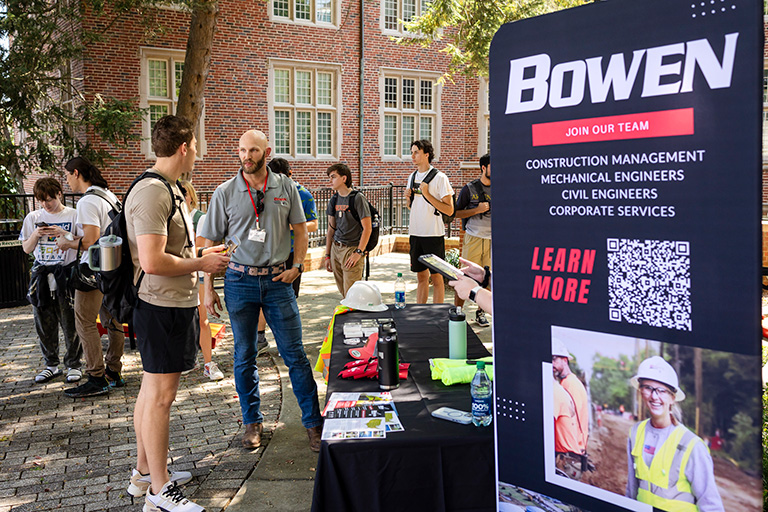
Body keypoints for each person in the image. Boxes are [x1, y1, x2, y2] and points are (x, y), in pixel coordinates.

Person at [125, 115, 229, 510]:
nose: (199, 152)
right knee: (160, 398)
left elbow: (172, 253)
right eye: (197, 145)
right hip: (160, 305)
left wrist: (200, 257)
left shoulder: (169, 188)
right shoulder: (154, 192)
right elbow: (152, 261)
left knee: (151, 394)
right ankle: (160, 491)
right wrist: (201, 265)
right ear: (184, 147)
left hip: (168, 302)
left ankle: (144, 474)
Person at [198, 129, 323, 452]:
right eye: (241, 150)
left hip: (278, 280)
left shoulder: (286, 187)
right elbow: (207, 244)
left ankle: (313, 423)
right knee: (244, 355)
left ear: (266, 151)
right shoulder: (225, 191)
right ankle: (252, 422)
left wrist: (297, 266)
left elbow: (300, 229)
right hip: (239, 281)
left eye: (253, 150)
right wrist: (208, 288)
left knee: (294, 355)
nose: (246, 156)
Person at [56, 157, 126, 398]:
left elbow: (90, 241)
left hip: (93, 270)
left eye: (67, 176)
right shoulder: (108, 195)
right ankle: (113, 371)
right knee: (113, 319)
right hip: (113, 268)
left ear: (76, 173)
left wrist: (66, 242)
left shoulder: (87, 201)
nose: (67, 181)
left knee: (84, 321)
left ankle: (96, 376)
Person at [626, 356, 724, 512]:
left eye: (662, 390)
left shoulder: (692, 445)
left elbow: (711, 505)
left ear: (673, 397)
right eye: (648, 388)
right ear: (640, 390)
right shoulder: (636, 432)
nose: (654, 396)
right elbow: (631, 489)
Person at [21, 177, 82, 384]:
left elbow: (84, 242)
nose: (46, 204)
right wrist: (37, 234)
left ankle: (74, 364)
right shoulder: (32, 217)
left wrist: (64, 233)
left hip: (66, 274)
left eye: (50, 199)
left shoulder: (73, 215)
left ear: (59, 194)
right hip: (42, 274)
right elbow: (27, 248)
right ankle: (51, 365)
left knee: (70, 321)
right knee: (44, 322)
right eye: (42, 200)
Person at [255, 157, 319, 354]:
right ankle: (259, 338)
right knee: (263, 297)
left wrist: (290, 225)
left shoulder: (303, 194)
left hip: (291, 254)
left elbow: (314, 225)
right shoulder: (263, 193)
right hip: (268, 253)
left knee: (287, 299)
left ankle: (287, 342)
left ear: (291, 175)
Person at [180, 179, 224, 381]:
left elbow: (198, 251)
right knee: (183, 321)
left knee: (203, 320)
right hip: (178, 276)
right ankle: (188, 358)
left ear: (191, 195)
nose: (181, 196)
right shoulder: (172, 218)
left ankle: (208, 363)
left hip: (197, 276)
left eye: (184, 192)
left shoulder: (200, 218)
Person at [405, 139, 454, 304]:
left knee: (437, 277)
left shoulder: (440, 178)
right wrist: (407, 200)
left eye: (416, 152)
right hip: (415, 233)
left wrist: (427, 194)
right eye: (412, 152)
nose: (412, 155)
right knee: (421, 276)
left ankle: (437, 314)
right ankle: (421, 311)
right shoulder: (412, 177)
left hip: (433, 233)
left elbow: (449, 209)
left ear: (427, 154)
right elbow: (414, 207)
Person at [453, 153, 491, 327]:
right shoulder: (469, 189)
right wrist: (477, 210)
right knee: (464, 275)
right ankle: (457, 312)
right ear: (483, 168)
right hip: (473, 238)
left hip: (493, 240)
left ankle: (481, 312)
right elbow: (455, 213)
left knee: (489, 278)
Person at [324, 163, 372, 297]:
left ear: (344, 178)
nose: (330, 180)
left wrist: (358, 252)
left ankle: (354, 318)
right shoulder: (334, 199)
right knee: (344, 294)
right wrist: (327, 255)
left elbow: (367, 228)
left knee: (353, 295)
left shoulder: (357, 198)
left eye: (333, 177)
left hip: (351, 249)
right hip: (336, 249)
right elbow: (331, 229)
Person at [552, 338, 589, 451]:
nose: (551, 364)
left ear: (565, 360)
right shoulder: (569, 382)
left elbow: (573, 420)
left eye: (554, 359)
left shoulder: (569, 384)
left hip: (572, 450)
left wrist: (577, 448)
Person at [553, 375, 584, 480]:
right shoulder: (560, 390)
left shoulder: (554, 392)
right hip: (572, 458)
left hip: (566, 461)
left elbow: (546, 428)